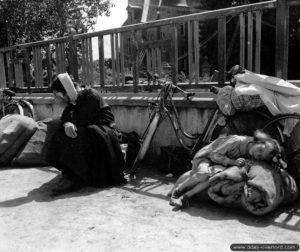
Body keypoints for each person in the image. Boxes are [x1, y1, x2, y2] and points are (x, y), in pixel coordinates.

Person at [45, 73, 126, 195]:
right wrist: (67, 123)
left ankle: (75, 178)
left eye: (58, 94)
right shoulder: (72, 100)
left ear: (65, 92)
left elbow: (82, 120)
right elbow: (65, 118)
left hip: (105, 132)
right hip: (90, 131)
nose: (57, 98)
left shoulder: (91, 95)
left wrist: (70, 122)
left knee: (79, 133)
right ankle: (70, 173)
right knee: (60, 129)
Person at [168, 130, 286, 209]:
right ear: (257, 142)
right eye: (260, 149)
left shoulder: (251, 154)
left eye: (260, 156)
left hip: (217, 165)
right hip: (206, 158)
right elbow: (215, 155)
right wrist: (232, 162)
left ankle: (186, 197)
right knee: (204, 173)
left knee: (213, 178)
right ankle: (177, 191)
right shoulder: (236, 140)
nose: (257, 154)